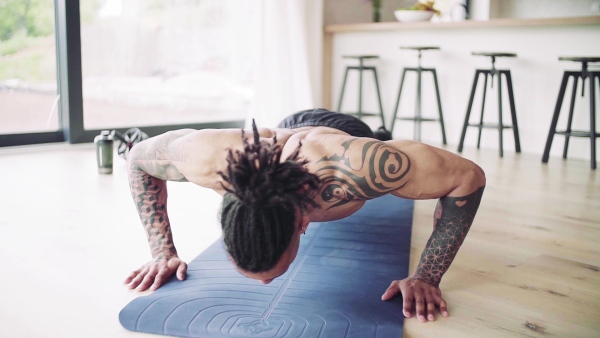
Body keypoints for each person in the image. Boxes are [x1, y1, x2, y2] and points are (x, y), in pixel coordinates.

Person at [123, 108, 486, 323]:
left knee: (379, 145)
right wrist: (162, 251)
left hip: (342, 132)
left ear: (303, 221)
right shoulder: (206, 158)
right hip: (288, 125)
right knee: (290, 126)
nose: (265, 286)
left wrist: (428, 275)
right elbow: (138, 158)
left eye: (270, 274)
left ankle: (381, 132)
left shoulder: (362, 169)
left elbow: (468, 177)